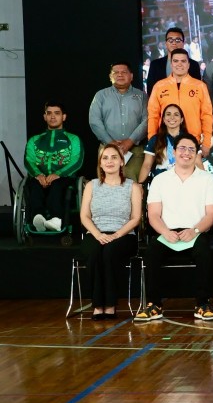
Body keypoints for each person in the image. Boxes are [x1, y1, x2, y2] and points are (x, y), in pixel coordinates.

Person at [134, 132, 213, 322]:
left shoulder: (207, 179)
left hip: (196, 232)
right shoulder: (160, 180)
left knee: (204, 252)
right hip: (168, 233)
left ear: (196, 154)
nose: (186, 153)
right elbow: (153, 215)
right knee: (152, 252)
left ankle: (202, 304)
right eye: (182, 148)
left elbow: (211, 214)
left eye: (191, 149)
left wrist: (195, 230)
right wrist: (165, 232)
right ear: (174, 152)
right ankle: (154, 305)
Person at [78, 143, 142, 320]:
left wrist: (116, 235)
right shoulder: (91, 186)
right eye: (105, 158)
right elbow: (84, 216)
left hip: (124, 235)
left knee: (109, 252)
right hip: (95, 233)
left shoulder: (132, 187)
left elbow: (135, 218)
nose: (109, 161)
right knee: (94, 253)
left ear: (122, 162)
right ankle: (98, 305)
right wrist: (98, 234)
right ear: (100, 163)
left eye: (114, 157)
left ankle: (111, 304)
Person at [24, 101, 84, 232]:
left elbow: (76, 160)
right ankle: (38, 218)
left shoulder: (73, 139)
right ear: (44, 116)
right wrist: (38, 175)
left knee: (57, 185)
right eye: (49, 113)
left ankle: (56, 220)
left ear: (64, 117)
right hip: (40, 178)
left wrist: (59, 174)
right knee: (33, 185)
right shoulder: (34, 140)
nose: (52, 116)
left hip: (64, 178)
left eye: (57, 113)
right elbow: (29, 160)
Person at [147, 48, 213, 158]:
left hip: (194, 142)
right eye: (175, 61)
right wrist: (152, 141)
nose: (179, 64)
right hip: (165, 144)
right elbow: (153, 116)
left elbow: (206, 115)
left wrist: (206, 143)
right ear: (171, 64)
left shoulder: (200, 86)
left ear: (188, 65)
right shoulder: (159, 86)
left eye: (183, 61)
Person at [88, 61, 149, 181]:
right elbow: (94, 121)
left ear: (131, 76)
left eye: (124, 72)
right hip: (107, 150)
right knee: (106, 185)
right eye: (116, 72)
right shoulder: (100, 95)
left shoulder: (142, 96)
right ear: (110, 76)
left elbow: (147, 120)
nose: (120, 75)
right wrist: (110, 142)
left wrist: (130, 141)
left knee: (134, 186)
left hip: (134, 151)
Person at [139, 104, 204, 184]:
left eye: (176, 114)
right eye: (168, 114)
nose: (172, 117)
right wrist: (140, 184)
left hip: (185, 180)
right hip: (161, 181)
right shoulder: (155, 139)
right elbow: (147, 165)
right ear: (163, 119)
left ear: (182, 119)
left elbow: (198, 163)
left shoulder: (190, 140)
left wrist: (204, 184)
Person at [145, 27, 202, 95]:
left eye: (177, 40)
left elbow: (197, 90)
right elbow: (151, 91)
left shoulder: (194, 65)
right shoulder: (155, 65)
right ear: (166, 43)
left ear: (183, 43)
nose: (174, 43)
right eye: (170, 40)